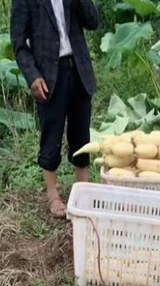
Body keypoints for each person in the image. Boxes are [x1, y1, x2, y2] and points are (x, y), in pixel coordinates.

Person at [10, 0, 100, 219]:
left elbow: (93, 22)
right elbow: (19, 43)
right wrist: (33, 76)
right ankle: (53, 195)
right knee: (51, 134)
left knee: (81, 134)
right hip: (49, 74)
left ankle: (84, 189)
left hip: (78, 69)